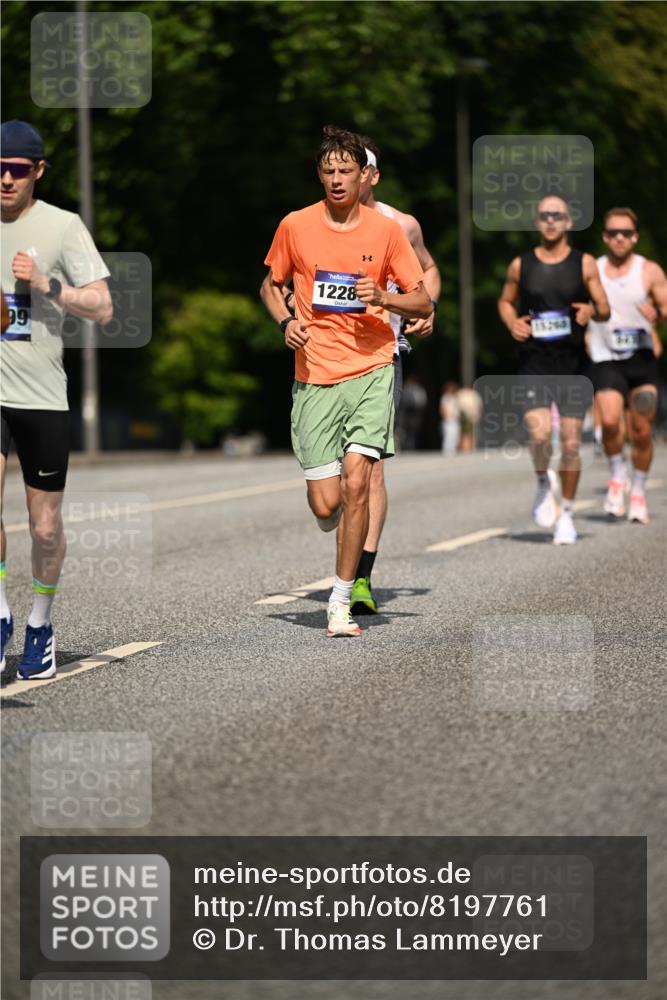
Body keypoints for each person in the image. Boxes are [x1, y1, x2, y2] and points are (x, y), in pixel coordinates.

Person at [260, 125, 430, 636]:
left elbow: (421, 299)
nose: (337, 180)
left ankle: (340, 598)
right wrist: (286, 322)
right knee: (327, 503)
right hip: (314, 372)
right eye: (328, 171)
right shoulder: (295, 225)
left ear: (363, 176)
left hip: (373, 367)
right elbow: (271, 284)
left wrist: (385, 298)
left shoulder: (386, 231)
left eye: (346, 171)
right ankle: (337, 531)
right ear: (320, 174)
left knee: (360, 480)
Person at [1, 121, 112, 684]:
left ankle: (40, 625)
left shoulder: (63, 227)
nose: (5, 178)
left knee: (44, 527)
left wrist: (48, 286)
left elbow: (103, 307)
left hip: (41, 396)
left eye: (16, 169)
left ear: (37, 171)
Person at [350, 136, 441, 612]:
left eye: (359, 167)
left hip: (385, 351)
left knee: (372, 470)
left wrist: (428, 308)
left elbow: (427, 269)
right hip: (326, 355)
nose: (349, 176)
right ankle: (340, 529)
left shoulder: (400, 224)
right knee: (332, 490)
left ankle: (361, 577)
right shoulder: (313, 223)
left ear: (373, 175)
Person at [497, 195, 610, 544]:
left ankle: (568, 514)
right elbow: (504, 301)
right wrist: (512, 321)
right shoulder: (521, 264)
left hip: (573, 363)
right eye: (544, 215)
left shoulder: (585, 263)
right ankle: (544, 482)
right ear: (537, 220)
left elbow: (604, 307)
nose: (550, 221)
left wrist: (591, 311)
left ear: (568, 221)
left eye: (556, 215)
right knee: (541, 434)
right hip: (534, 360)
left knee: (573, 444)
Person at [587, 207, 667, 522]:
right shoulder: (592, 268)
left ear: (634, 236)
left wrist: (658, 314)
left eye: (625, 233)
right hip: (605, 357)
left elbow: (665, 305)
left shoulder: (649, 271)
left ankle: (639, 491)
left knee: (642, 430)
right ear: (605, 237)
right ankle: (618, 475)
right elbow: (577, 303)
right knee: (608, 422)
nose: (619, 238)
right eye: (613, 233)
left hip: (641, 359)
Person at [456, 384, 483, 453]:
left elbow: (480, 407)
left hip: (472, 416)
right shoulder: (462, 393)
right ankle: (466, 448)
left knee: (471, 433)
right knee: (466, 433)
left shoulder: (473, 394)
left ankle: (470, 447)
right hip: (466, 416)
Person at [439, 381, 460, 455]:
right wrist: (445, 416)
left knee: (455, 436)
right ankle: (447, 451)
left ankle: (453, 450)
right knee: (448, 436)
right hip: (448, 419)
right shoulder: (445, 397)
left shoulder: (454, 397)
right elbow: (442, 409)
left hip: (455, 419)